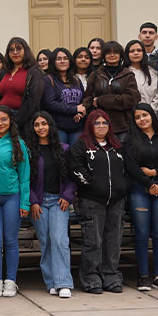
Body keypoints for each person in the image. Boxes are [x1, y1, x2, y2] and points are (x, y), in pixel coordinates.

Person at [67, 110, 126, 294]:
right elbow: (76, 169)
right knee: (93, 241)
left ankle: (111, 276)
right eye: (97, 123)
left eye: (105, 123)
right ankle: (91, 279)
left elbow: (129, 169)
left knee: (113, 240)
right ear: (90, 126)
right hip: (92, 200)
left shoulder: (117, 146)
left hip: (116, 200)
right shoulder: (81, 145)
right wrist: (92, 185)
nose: (101, 126)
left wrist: (122, 187)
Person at [123, 103, 158, 292]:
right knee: (142, 234)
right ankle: (143, 276)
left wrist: (155, 172)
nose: (142, 119)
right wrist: (149, 183)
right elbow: (131, 167)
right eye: (137, 117)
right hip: (140, 189)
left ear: (152, 116)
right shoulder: (130, 139)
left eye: (145, 115)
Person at [0, 106, 30, 298]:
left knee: (10, 240)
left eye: (4, 119)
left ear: (10, 121)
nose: (0, 123)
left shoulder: (18, 143)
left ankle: (10, 280)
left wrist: (24, 203)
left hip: (11, 196)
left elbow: (25, 176)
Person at [25, 112, 76, 298]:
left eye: (44, 124)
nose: (41, 128)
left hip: (58, 201)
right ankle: (51, 282)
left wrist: (67, 196)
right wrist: (33, 202)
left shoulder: (64, 148)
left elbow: (72, 177)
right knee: (46, 241)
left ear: (50, 126)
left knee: (60, 239)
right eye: (37, 125)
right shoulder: (29, 151)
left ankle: (63, 283)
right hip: (38, 203)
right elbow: (25, 180)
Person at [82, 41, 139, 138]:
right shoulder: (95, 75)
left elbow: (132, 99)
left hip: (123, 126)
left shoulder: (128, 75)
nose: (112, 55)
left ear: (121, 55)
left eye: (115, 53)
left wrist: (101, 100)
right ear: (103, 56)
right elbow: (88, 98)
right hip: (99, 124)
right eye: (108, 53)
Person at [0, 37, 44, 134]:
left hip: (24, 121)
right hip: (1, 120)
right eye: (11, 50)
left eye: (18, 49)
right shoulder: (3, 73)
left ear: (26, 51)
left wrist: (13, 121)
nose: (15, 52)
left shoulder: (34, 72)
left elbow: (33, 102)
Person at [42, 47, 86, 145]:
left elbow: (83, 102)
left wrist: (80, 113)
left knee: (76, 156)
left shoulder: (76, 80)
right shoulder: (48, 80)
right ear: (53, 62)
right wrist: (74, 109)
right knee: (61, 156)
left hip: (76, 127)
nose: (62, 61)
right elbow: (50, 103)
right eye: (59, 59)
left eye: (65, 58)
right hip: (58, 127)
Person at [125, 39, 158, 116]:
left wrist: (149, 114)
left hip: (151, 116)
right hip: (128, 117)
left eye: (139, 50)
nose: (136, 53)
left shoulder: (152, 72)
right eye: (132, 51)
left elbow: (157, 96)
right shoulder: (123, 73)